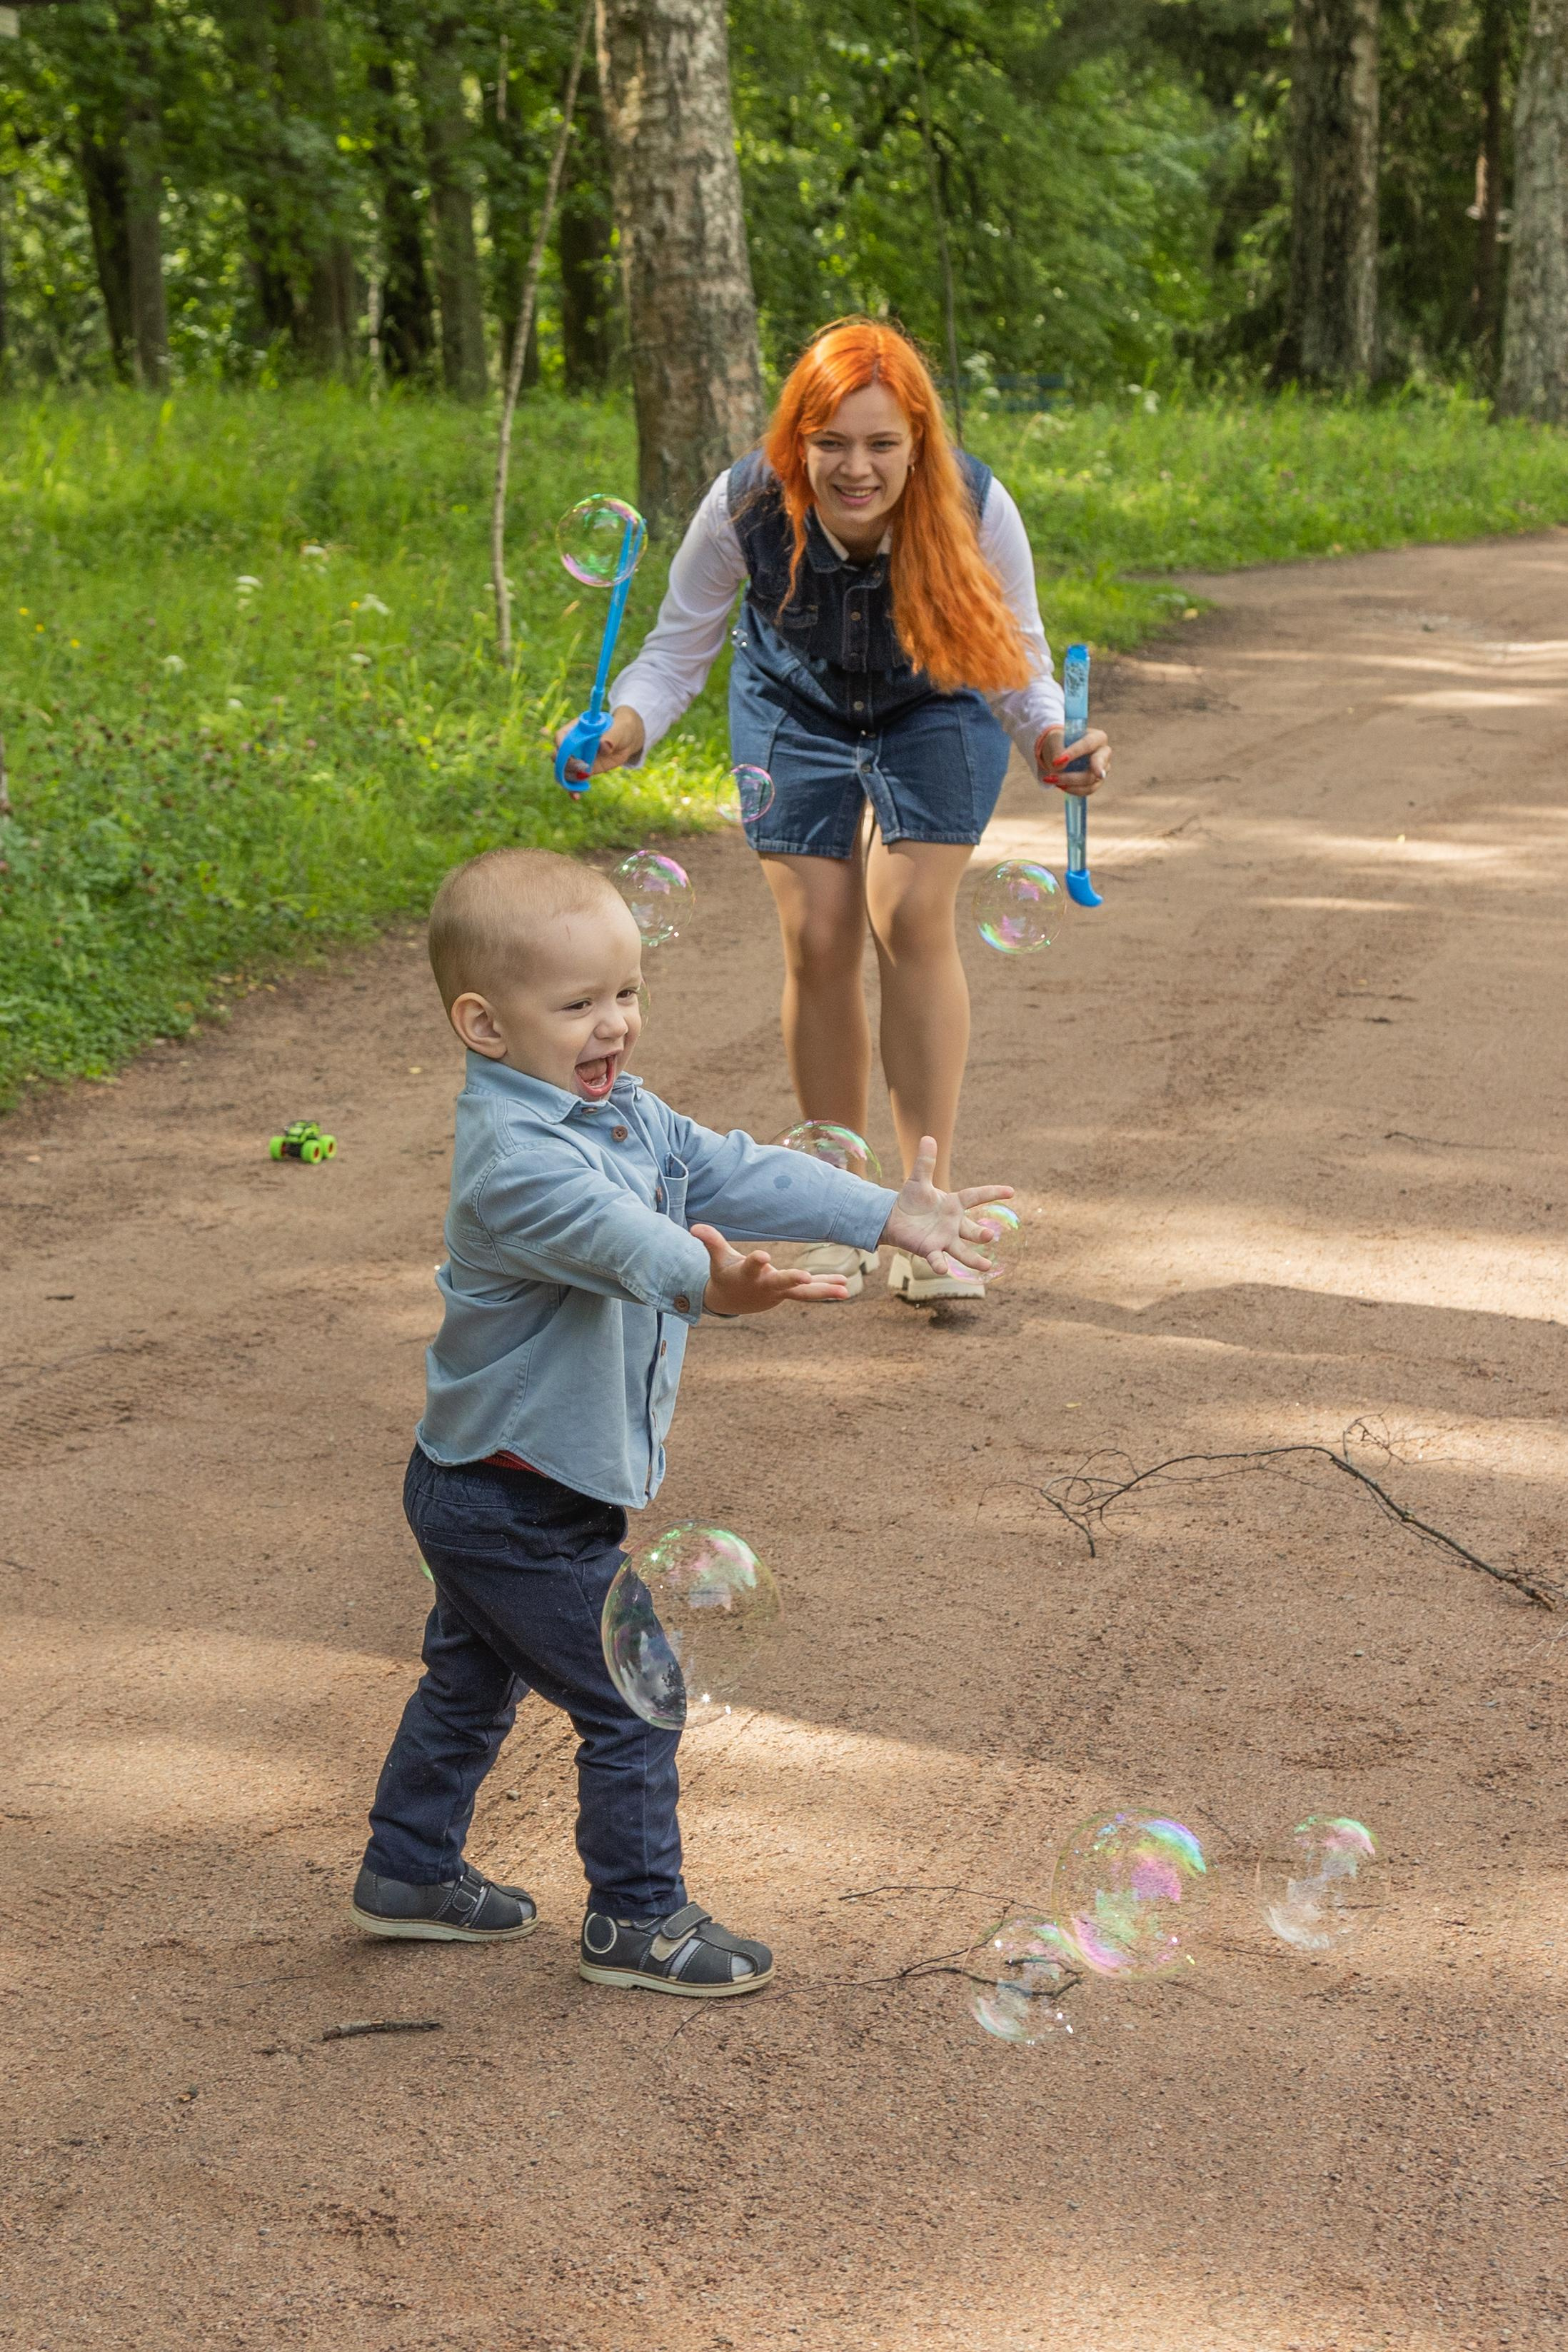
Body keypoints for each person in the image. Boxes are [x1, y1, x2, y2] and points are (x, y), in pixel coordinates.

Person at [350, 846, 1012, 1996]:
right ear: (484, 1023)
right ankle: (636, 1919)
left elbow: (724, 1168)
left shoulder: (620, 1111)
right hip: (503, 1500)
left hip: (518, 1483)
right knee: (638, 1691)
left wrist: (884, 1214)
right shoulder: (517, 1161)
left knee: (471, 1682)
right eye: (578, 1004)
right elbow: (635, 1246)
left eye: (626, 994)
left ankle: (409, 1871)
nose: (615, 1025)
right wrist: (721, 1287)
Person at [563, 316, 1110, 1304]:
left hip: (940, 696)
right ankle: (838, 1207)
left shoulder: (975, 505)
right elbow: (678, 649)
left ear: (918, 442)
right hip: (794, 706)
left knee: (907, 914)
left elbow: (1018, 660)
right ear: (797, 438)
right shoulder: (743, 505)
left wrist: (1046, 740)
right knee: (817, 934)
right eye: (831, 444)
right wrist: (624, 728)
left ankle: (923, 1214)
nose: (855, 469)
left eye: (881, 444)